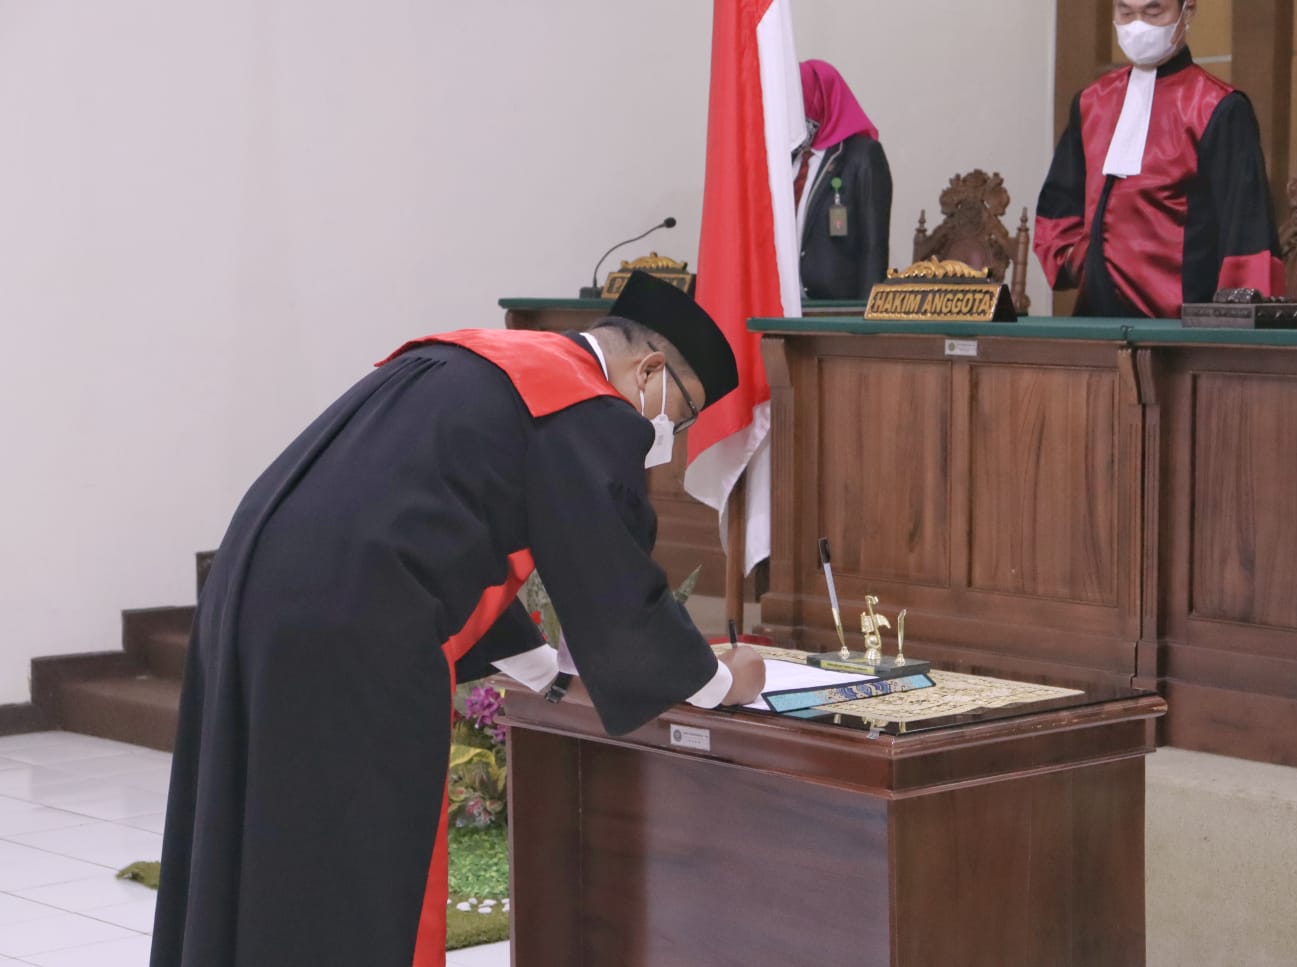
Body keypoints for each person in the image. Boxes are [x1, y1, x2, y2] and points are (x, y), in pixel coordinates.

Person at [149, 270, 766, 967]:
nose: (669, 438)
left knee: (258, 832)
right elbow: (612, 578)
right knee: (352, 860)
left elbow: (433, 525)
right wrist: (719, 681)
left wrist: (543, 669)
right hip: (353, 633)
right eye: (680, 415)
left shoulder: (473, 361)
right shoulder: (588, 405)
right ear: (648, 369)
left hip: (253, 586)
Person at [1035, 0, 1283, 318]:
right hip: (1095, 317)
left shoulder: (1218, 108)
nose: (1138, 25)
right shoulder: (1091, 102)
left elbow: (1246, 230)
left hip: (1181, 325)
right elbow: (1059, 204)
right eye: (1126, 13)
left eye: (1153, 12)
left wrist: (1238, 324)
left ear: (1187, 11)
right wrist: (1077, 259)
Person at [794, 59, 893, 300]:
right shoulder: (788, 159)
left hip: (836, 307)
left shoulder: (862, 156)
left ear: (821, 99)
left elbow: (874, 246)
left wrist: (865, 312)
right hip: (784, 304)